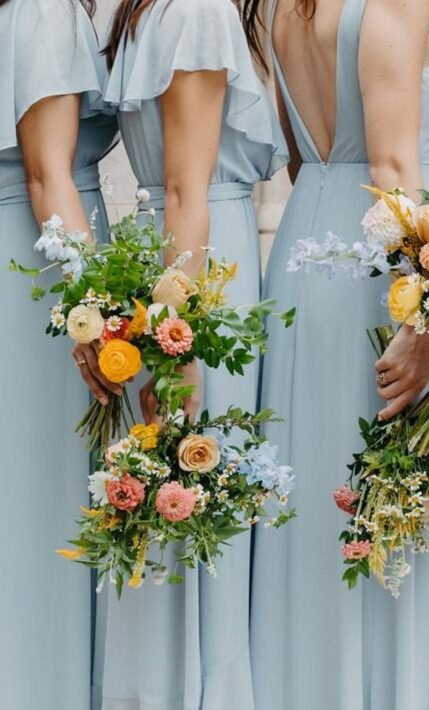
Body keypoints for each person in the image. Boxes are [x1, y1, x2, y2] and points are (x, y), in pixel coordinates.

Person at [247, 0, 429, 708]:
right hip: (378, 270)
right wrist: (423, 314)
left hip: (309, 245)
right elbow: (394, 163)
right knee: (381, 501)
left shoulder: (285, 7)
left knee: (312, 494)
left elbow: (311, 150)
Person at [91, 1, 287, 707]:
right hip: (202, 264)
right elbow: (185, 188)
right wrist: (182, 343)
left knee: (177, 491)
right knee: (197, 486)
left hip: (171, 252)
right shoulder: (200, 13)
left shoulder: (158, 10)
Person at [0, 1, 117, 707]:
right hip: (44, 265)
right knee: (40, 495)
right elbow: (49, 175)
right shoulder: (44, 11)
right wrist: (97, 315)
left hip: (29, 251)